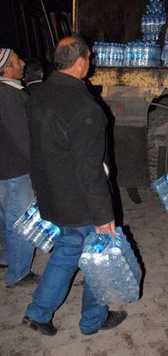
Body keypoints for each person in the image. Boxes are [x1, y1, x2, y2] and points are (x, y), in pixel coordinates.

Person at [23, 36, 127, 336]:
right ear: (81, 60)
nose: (90, 63)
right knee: (97, 255)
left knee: (69, 248)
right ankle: (93, 320)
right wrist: (103, 216)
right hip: (80, 198)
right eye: (89, 58)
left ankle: (39, 312)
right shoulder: (84, 108)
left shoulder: (39, 94)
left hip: (52, 193)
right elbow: (89, 169)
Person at [0, 48, 38, 287]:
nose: (23, 62)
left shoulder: (7, 92)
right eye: (17, 61)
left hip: (5, 168)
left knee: (6, 217)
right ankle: (19, 273)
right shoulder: (9, 97)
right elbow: (22, 137)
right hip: (15, 169)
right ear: (6, 69)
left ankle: (6, 258)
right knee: (21, 222)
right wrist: (38, 167)